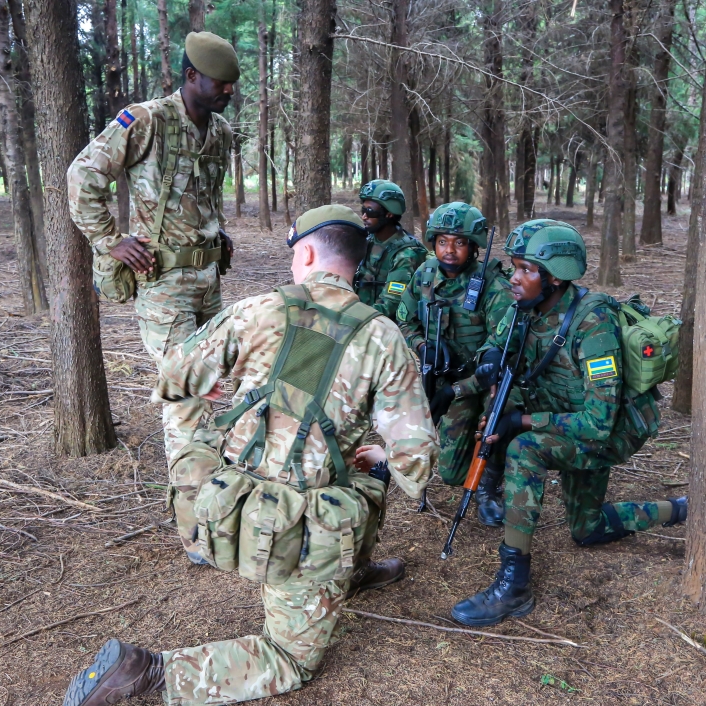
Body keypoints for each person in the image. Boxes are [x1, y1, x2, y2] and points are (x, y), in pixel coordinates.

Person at [61, 205, 439, 706]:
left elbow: (173, 374)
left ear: (304, 252)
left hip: (235, 498)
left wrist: (215, 387)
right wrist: (385, 454)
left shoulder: (256, 310)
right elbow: (417, 461)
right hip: (304, 525)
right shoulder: (383, 336)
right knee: (291, 659)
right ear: (357, 262)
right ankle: (147, 673)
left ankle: (350, 571)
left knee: (350, 471)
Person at [449, 220, 687, 627]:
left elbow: (598, 422)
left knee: (525, 448)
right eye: (514, 266)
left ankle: (514, 584)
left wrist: (521, 421)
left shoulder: (593, 326)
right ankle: (681, 509)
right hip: (561, 414)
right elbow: (498, 345)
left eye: (525, 269)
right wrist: (483, 365)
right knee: (587, 529)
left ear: (555, 276)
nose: (514, 278)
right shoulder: (523, 306)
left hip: (605, 433)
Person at [68, 32, 238, 563]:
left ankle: (216, 499)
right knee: (186, 396)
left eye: (233, 86)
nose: (227, 93)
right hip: (161, 285)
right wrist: (109, 239)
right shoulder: (144, 121)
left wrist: (217, 235)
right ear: (191, 76)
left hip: (208, 282)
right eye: (219, 84)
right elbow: (82, 174)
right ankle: (195, 528)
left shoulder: (223, 132)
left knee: (212, 389)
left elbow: (204, 199)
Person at [396, 202, 515, 525]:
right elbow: (405, 320)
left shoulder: (492, 284)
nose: (450, 250)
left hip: (485, 380)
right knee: (449, 471)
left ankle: (490, 489)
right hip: (445, 377)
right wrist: (422, 347)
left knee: (493, 428)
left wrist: (456, 391)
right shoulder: (424, 275)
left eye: (460, 242)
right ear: (433, 242)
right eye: (443, 241)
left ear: (474, 247)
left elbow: (501, 348)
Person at [354, 179, 429, 320]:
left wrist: (351, 318)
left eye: (370, 212)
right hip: (363, 320)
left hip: (388, 329)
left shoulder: (406, 254)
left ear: (389, 214)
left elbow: (390, 304)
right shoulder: (367, 240)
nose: (364, 216)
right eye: (363, 210)